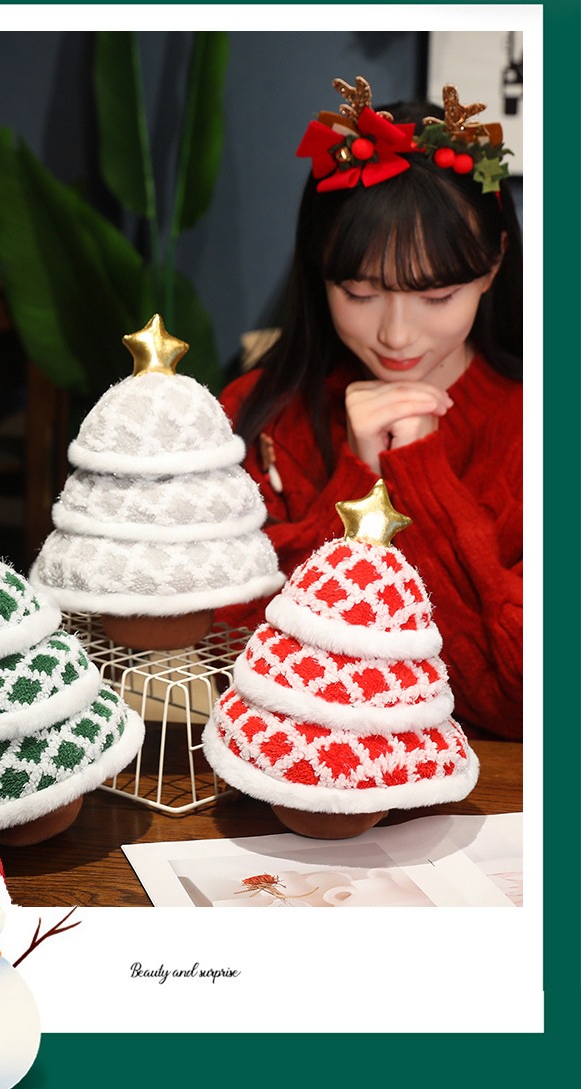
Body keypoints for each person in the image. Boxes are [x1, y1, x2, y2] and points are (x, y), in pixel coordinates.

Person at [217, 78, 523, 739]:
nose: (396, 335)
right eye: (359, 293)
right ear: (319, 269)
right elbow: (233, 659)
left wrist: (418, 470)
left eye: (436, 297)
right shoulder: (255, 417)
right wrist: (358, 482)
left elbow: (524, 701)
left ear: (494, 265)